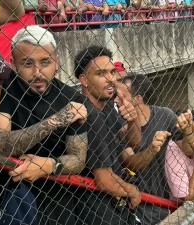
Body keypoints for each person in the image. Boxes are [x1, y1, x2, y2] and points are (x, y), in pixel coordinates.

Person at [0, 26, 88, 225]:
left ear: (57, 62)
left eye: (45, 62)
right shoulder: (4, 89)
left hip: (58, 196)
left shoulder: (72, 98)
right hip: (10, 194)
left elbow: (78, 159)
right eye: (27, 63)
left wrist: (49, 165)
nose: (37, 73)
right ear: (14, 65)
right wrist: (56, 120)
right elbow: (1, 145)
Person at [74, 45, 145, 225]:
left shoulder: (105, 107)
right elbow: (104, 179)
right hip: (97, 211)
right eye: (101, 74)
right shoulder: (90, 113)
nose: (111, 79)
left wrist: (132, 119)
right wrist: (132, 191)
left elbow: (133, 142)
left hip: (113, 206)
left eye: (112, 72)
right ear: (84, 80)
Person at [116, 74, 182, 223]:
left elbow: (185, 149)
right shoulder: (119, 124)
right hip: (139, 204)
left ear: (138, 99)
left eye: (121, 96)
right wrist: (152, 149)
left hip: (169, 200)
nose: (115, 99)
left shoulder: (165, 115)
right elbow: (129, 162)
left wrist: (189, 130)